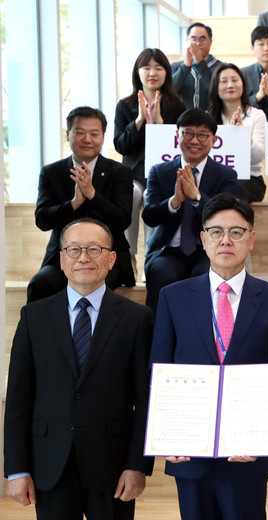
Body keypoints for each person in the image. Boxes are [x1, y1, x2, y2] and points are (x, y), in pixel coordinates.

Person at [149, 194, 268, 520]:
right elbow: (159, 370)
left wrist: (258, 433)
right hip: (189, 452)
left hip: (247, 453)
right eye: (216, 232)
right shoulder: (173, 297)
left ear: (251, 240)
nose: (226, 240)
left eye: (236, 232)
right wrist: (167, 432)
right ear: (203, 240)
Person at [5, 218, 155, 518]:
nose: (83, 257)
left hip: (113, 466)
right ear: (62, 259)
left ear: (111, 259)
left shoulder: (137, 318)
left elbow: (146, 400)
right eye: (73, 249)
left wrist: (137, 466)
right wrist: (17, 469)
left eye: (94, 249)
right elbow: (19, 398)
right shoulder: (34, 316)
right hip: (50, 464)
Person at [29, 106, 134, 303]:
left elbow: (122, 220)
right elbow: (42, 220)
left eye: (94, 134)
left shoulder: (120, 172)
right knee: (40, 284)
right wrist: (74, 203)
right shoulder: (52, 172)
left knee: (91, 285)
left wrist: (92, 195)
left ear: (103, 137)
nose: (87, 139)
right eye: (80, 133)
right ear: (68, 135)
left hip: (107, 258)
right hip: (64, 257)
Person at [142, 108, 237, 311]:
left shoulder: (226, 175)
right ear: (177, 136)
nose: (195, 141)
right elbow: (149, 216)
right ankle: (158, 330)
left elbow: (226, 219)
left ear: (214, 140)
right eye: (188, 134)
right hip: (168, 251)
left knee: (208, 276)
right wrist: (174, 201)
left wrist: (196, 197)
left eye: (202, 135)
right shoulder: (159, 171)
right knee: (162, 274)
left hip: (208, 251)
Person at [115, 48, 186, 267]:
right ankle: (129, 256)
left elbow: (181, 146)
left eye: (158, 68)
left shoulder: (177, 106)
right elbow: (121, 146)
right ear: (138, 72)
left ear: (167, 73)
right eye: (146, 67)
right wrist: (139, 120)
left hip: (164, 173)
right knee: (131, 193)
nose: (152, 73)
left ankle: (152, 256)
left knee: (151, 196)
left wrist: (160, 122)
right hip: (134, 172)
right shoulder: (125, 105)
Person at [207, 63, 267, 202]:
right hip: (214, 177)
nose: (230, 85)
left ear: (243, 84)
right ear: (215, 87)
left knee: (233, 187)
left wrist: (243, 134)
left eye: (235, 80)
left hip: (249, 178)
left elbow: (258, 157)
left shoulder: (257, 115)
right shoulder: (206, 117)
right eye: (224, 81)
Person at [171, 23, 222, 109]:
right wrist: (186, 67)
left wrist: (200, 63)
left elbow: (219, 92)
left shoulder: (221, 67)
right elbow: (169, 91)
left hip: (212, 116)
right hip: (182, 116)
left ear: (210, 42)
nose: (198, 44)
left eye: (202, 39)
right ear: (187, 41)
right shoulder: (176, 67)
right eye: (193, 39)